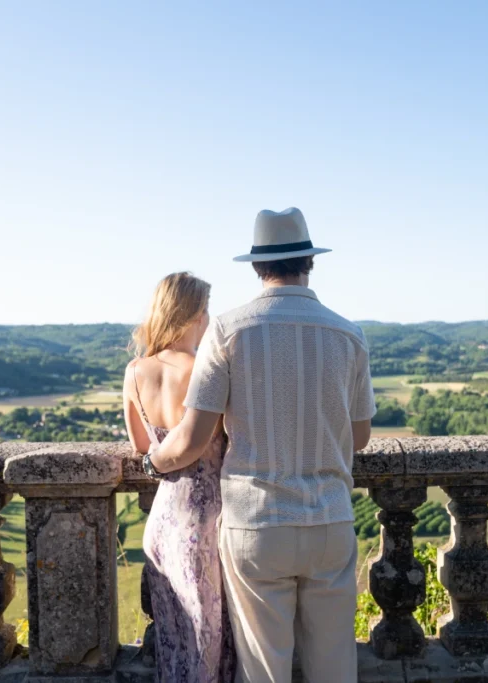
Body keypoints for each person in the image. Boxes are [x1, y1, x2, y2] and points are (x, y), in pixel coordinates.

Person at [144, 208, 376, 683]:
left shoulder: (228, 332)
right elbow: (359, 437)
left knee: (263, 672)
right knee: (335, 669)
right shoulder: (348, 334)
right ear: (309, 262)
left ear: (256, 266)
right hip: (330, 517)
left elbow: (191, 439)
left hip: (257, 525)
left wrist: (152, 461)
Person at [123, 272, 236, 683]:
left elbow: (140, 444)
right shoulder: (203, 371)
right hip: (203, 521)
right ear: (194, 316)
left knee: (174, 645)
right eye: (205, 310)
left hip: (162, 521)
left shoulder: (135, 371)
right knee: (209, 642)